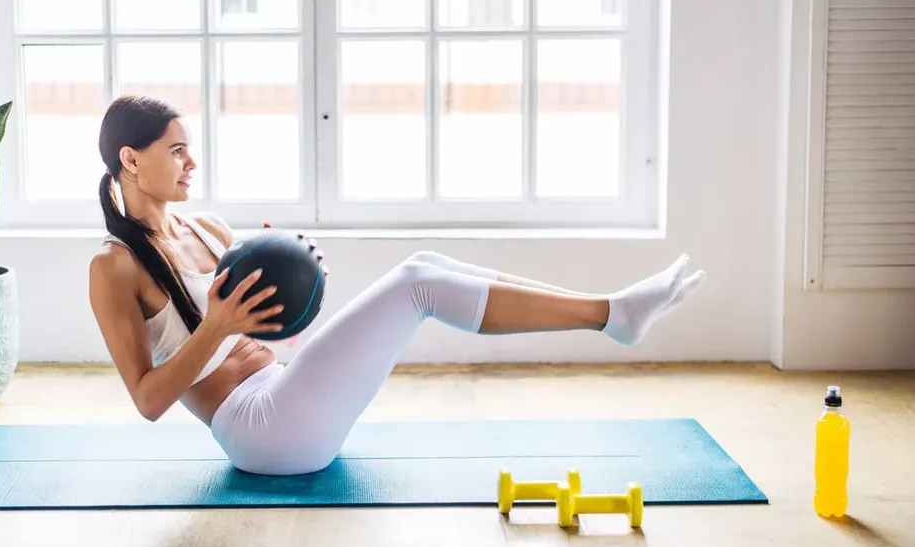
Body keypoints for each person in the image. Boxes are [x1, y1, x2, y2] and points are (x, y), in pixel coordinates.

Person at [89, 95, 706, 476]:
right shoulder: (114, 268)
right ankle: (612, 315)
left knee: (425, 260)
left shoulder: (208, 227)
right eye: (176, 151)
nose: (191, 163)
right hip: (260, 432)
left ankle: (610, 312)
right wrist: (220, 326)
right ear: (132, 160)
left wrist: (300, 285)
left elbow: (274, 330)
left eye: (190, 148)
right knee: (418, 283)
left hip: (287, 388)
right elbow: (147, 401)